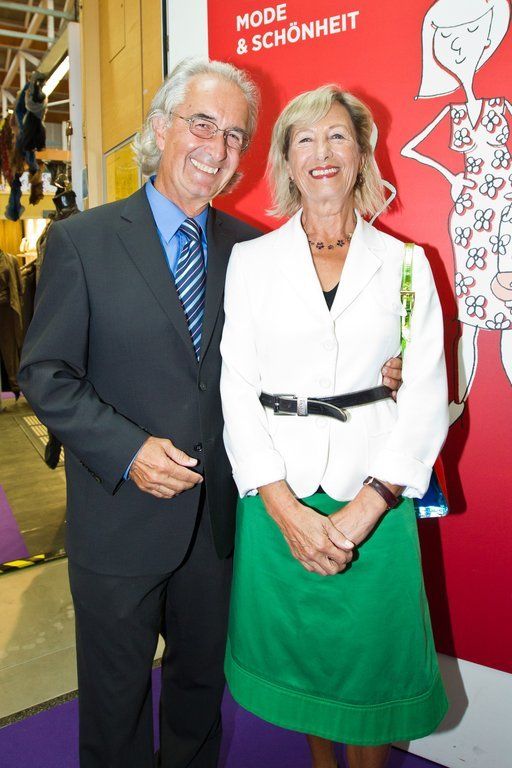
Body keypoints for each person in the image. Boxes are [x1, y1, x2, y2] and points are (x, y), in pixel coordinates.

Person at [18, 59, 402, 768]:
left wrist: (381, 369)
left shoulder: (255, 250)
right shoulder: (83, 241)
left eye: (234, 135)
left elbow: (297, 356)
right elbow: (44, 373)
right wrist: (128, 449)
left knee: (198, 698)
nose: (218, 147)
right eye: (203, 124)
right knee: (115, 710)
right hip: (119, 522)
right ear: (160, 128)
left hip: (219, 526)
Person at [220, 85, 449, 768]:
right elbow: (237, 387)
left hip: (374, 495)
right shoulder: (250, 263)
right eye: (305, 139)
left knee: (370, 666)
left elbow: (426, 392)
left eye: (338, 136)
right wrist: (282, 506)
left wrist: (368, 506)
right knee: (304, 665)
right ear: (286, 161)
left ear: (362, 154)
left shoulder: (407, 264)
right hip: (278, 496)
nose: (322, 152)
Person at [401, 0, 512, 424]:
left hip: (505, 213)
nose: (457, 45)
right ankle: (457, 401)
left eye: (467, 32)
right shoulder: (454, 112)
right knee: (470, 320)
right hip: (469, 218)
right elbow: (412, 148)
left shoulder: (501, 106)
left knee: (508, 316)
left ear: (487, 36)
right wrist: (452, 176)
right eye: (446, 37)